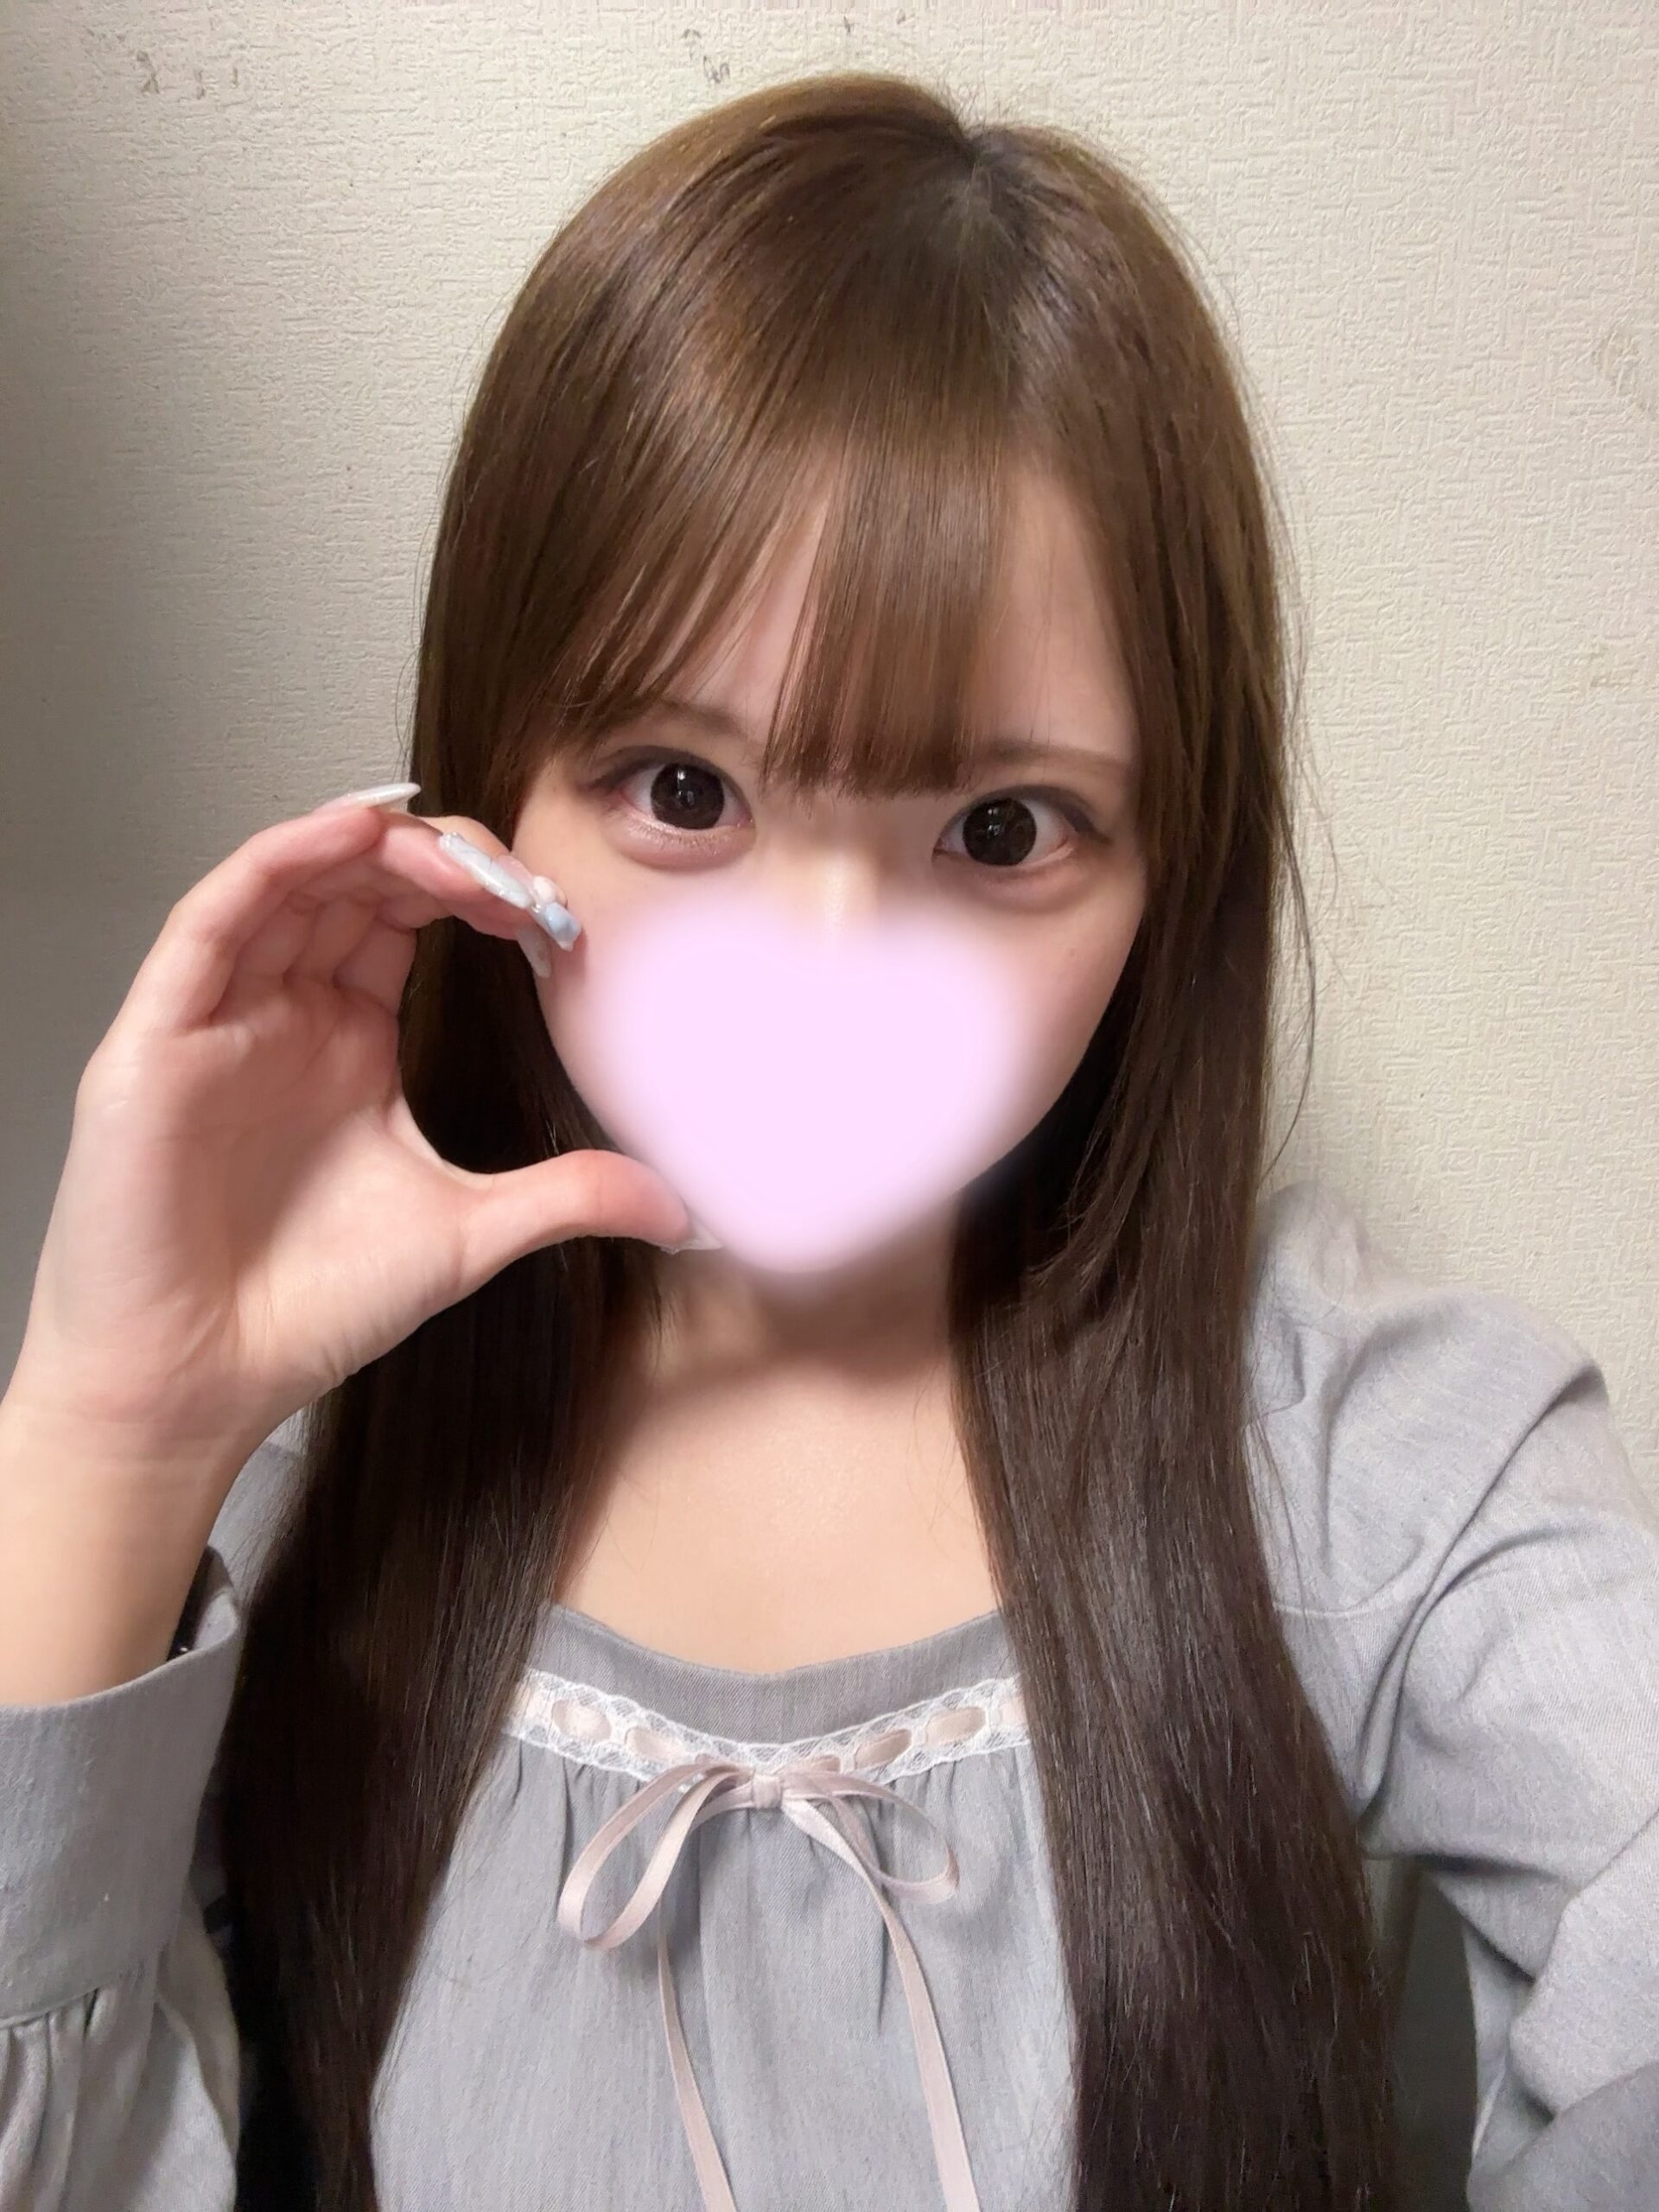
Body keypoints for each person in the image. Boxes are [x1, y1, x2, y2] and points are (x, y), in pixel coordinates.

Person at [0, 68, 1655, 2212]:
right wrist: (111, 1432)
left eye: (1001, 828)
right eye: (687, 791)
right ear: (487, 804)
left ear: (1173, 873)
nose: (827, 973)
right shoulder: (302, 1476)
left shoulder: (1349, 1449)